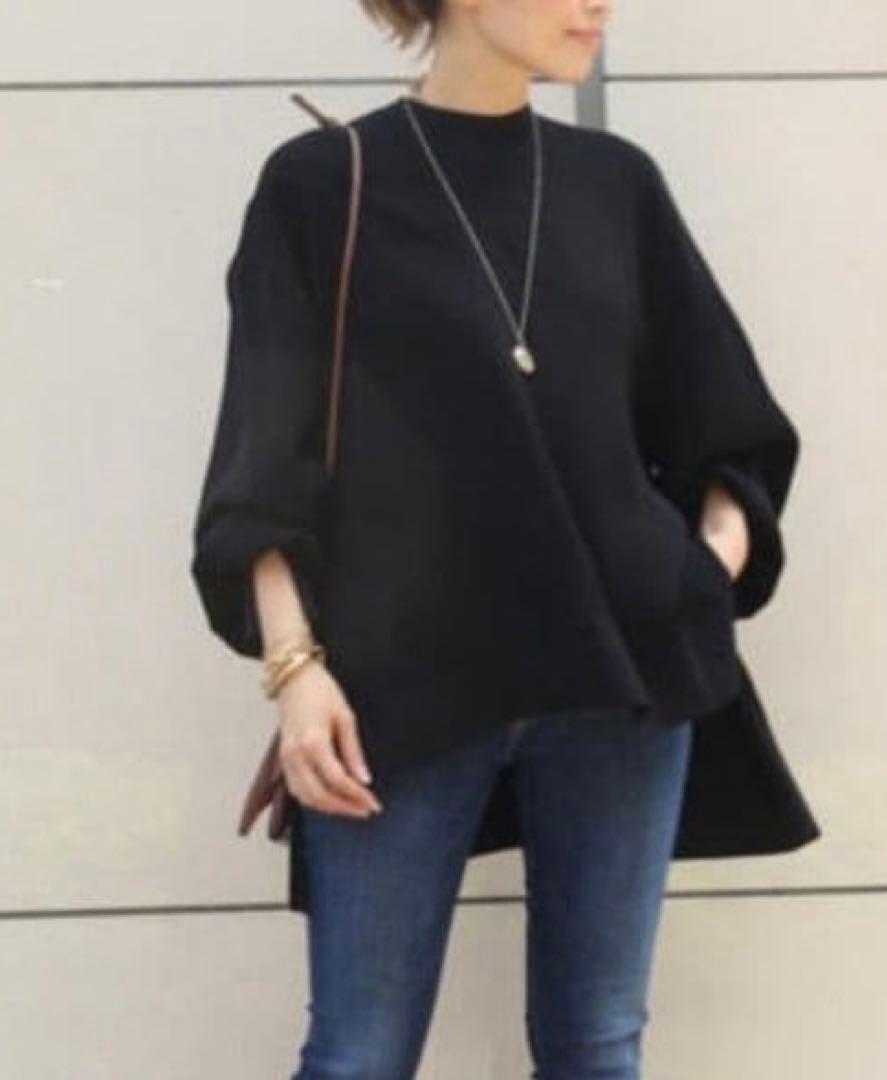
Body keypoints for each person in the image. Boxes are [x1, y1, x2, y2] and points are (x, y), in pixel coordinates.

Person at [189, 0, 822, 1076]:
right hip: (402, 689)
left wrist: (694, 575)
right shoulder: (323, 183)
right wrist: (295, 670)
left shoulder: (613, 185)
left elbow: (725, 422)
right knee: (357, 1055)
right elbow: (263, 458)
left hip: (619, 681)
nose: (597, 4)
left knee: (596, 1046)